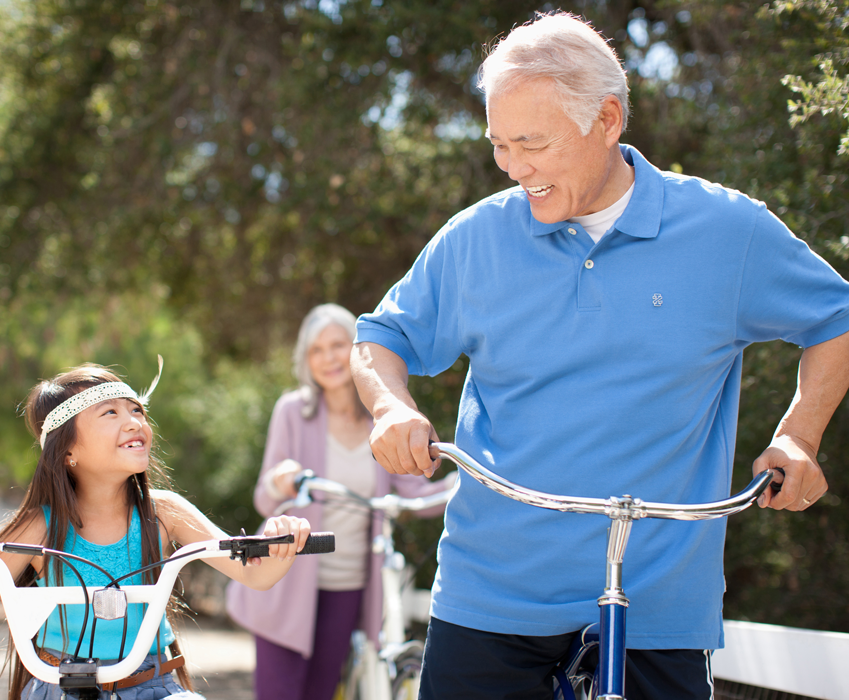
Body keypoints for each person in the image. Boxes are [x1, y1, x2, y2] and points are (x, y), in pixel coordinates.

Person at [350, 11, 849, 700]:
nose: (513, 167)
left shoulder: (727, 232)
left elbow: (837, 316)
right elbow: (381, 336)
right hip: (490, 596)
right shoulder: (476, 239)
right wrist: (390, 408)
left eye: (532, 143)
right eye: (499, 144)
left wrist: (798, 435)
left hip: (658, 606)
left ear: (607, 119)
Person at [0, 359, 311, 700]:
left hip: (154, 688)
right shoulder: (38, 528)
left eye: (137, 411)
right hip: (57, 689)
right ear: (68, 451)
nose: (134, 422)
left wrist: (282, 539)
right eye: (110, 413)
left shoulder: (164, 512)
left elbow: (255, 574)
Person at [226, 303, 454, 700]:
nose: (328, 357)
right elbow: (265, 496)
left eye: (337, 345)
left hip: (349, 585)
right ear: (306, 360)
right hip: (287, 580)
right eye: (316, 350)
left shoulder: (381, 423)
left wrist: (468, 482)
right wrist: (283, 478)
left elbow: (416, 495)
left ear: (357, 350)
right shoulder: (293, 411)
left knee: (323, 693)